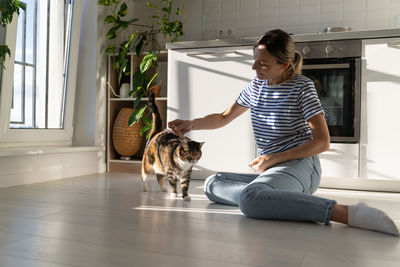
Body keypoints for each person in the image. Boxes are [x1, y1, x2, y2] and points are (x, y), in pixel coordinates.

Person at [168, 29, 399, 236]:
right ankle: (274, 197)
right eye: (255, 61)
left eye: (263, 64)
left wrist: (273, 158)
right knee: (212, 183)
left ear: (285, 64)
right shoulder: (255, 87)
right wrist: (191, 124)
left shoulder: (302, 87)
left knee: (249, 200)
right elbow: (223, 117)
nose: (254, 68)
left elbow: (322, 142)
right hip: (272, 168)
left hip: (300, 165)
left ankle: (347, 213)